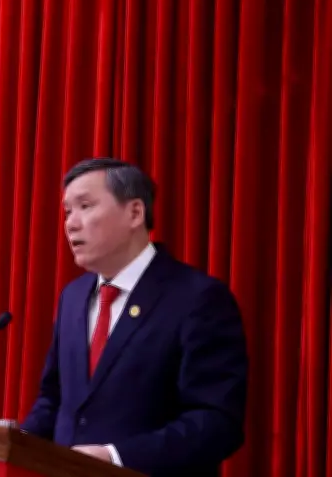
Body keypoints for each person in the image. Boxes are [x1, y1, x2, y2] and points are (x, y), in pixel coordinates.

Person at [20, 157, 248, 477]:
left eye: (85, 206)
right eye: (67, 211)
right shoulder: (73, 296)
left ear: (135, 213)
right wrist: (11, 443)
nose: (71, 223)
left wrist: (116, 456)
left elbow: (216, 421)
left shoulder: (197, 298)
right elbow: (54, 400)